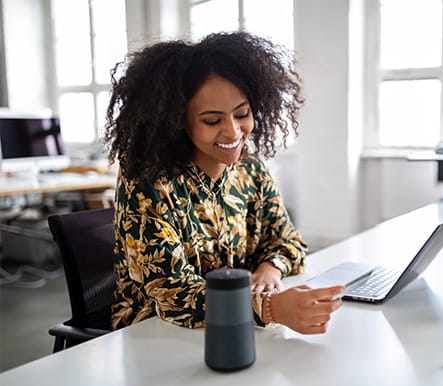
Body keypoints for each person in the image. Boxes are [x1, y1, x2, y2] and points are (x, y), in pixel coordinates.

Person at [104, 31, 345, 335]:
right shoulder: (149, 182)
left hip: (234, 326)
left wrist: (271, 268)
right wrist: (268, 308)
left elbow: (289, 242)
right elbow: (172, 294)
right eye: (212, 120)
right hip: (153, 332)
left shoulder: (250, 170)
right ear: (177, 120)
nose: (233, 132)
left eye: (242, 114)